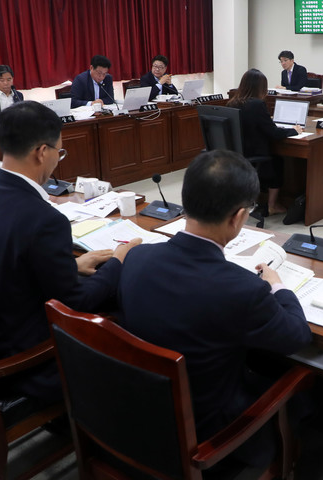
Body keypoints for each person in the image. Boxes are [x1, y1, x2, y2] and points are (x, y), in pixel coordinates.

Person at [118, 149, 312, 467]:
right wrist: (278, 286)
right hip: (204, 436)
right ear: (238, 217)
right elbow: (297, 336)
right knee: (300, 391)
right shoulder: (244, 289)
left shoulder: (137, 258)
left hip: (136, 415)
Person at [0, 101, 141, 401]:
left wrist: (72, 266)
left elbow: (6, 260)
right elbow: (76, 302)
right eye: (59, 151)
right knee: (127, 314)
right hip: (30, 359)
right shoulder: (45, 219)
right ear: (42, 152)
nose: (58, 159)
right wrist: (118, 261)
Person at [227, 69, 302, 216]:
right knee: (277, 161)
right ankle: (272, 205)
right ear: (260, 87)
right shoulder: (257, 104)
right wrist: (294, 131)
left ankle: (253, 200)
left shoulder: (232, 103)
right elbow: (273, 133)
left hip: (235, 156)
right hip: (253, 155)